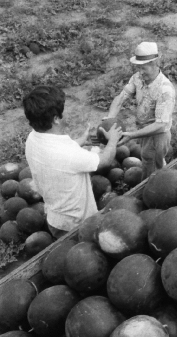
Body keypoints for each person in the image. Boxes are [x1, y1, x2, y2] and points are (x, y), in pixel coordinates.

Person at [23, 85, 123, 239]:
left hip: (55, 220)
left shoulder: (32, 139)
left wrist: (83, 140)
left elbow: (61, 154)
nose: (67, 111)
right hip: (76, 225)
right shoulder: (68, 154)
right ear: (56, 119)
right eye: (64, 108)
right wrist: (113, 141)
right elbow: (104, 161)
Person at [105, 41, 175, 180]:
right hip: (143, 131)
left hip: (157, 135)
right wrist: (109, 120)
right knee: (149, 160)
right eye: (139, 68)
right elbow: (120, 98)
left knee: (152, 165)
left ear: (156, 63)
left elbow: (160, 125)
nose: (140, 72)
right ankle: (162, 177)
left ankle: (153, 188)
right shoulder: (137, 78)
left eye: (144, 68)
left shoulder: (165, 90)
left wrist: (132, 135)